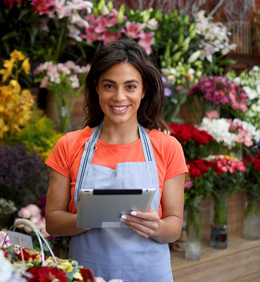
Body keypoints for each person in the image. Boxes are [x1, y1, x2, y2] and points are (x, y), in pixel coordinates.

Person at [44, 39, 187, 281]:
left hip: (149, 274)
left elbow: (173, 227)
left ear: (144, 91)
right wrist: (86, 218)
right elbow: (53, 223)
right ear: (96, 88)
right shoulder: (68, 145)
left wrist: (157, 227)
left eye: (130, 87)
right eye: (109, 86)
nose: (119, 97)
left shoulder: (168, 147)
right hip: (88, 274)